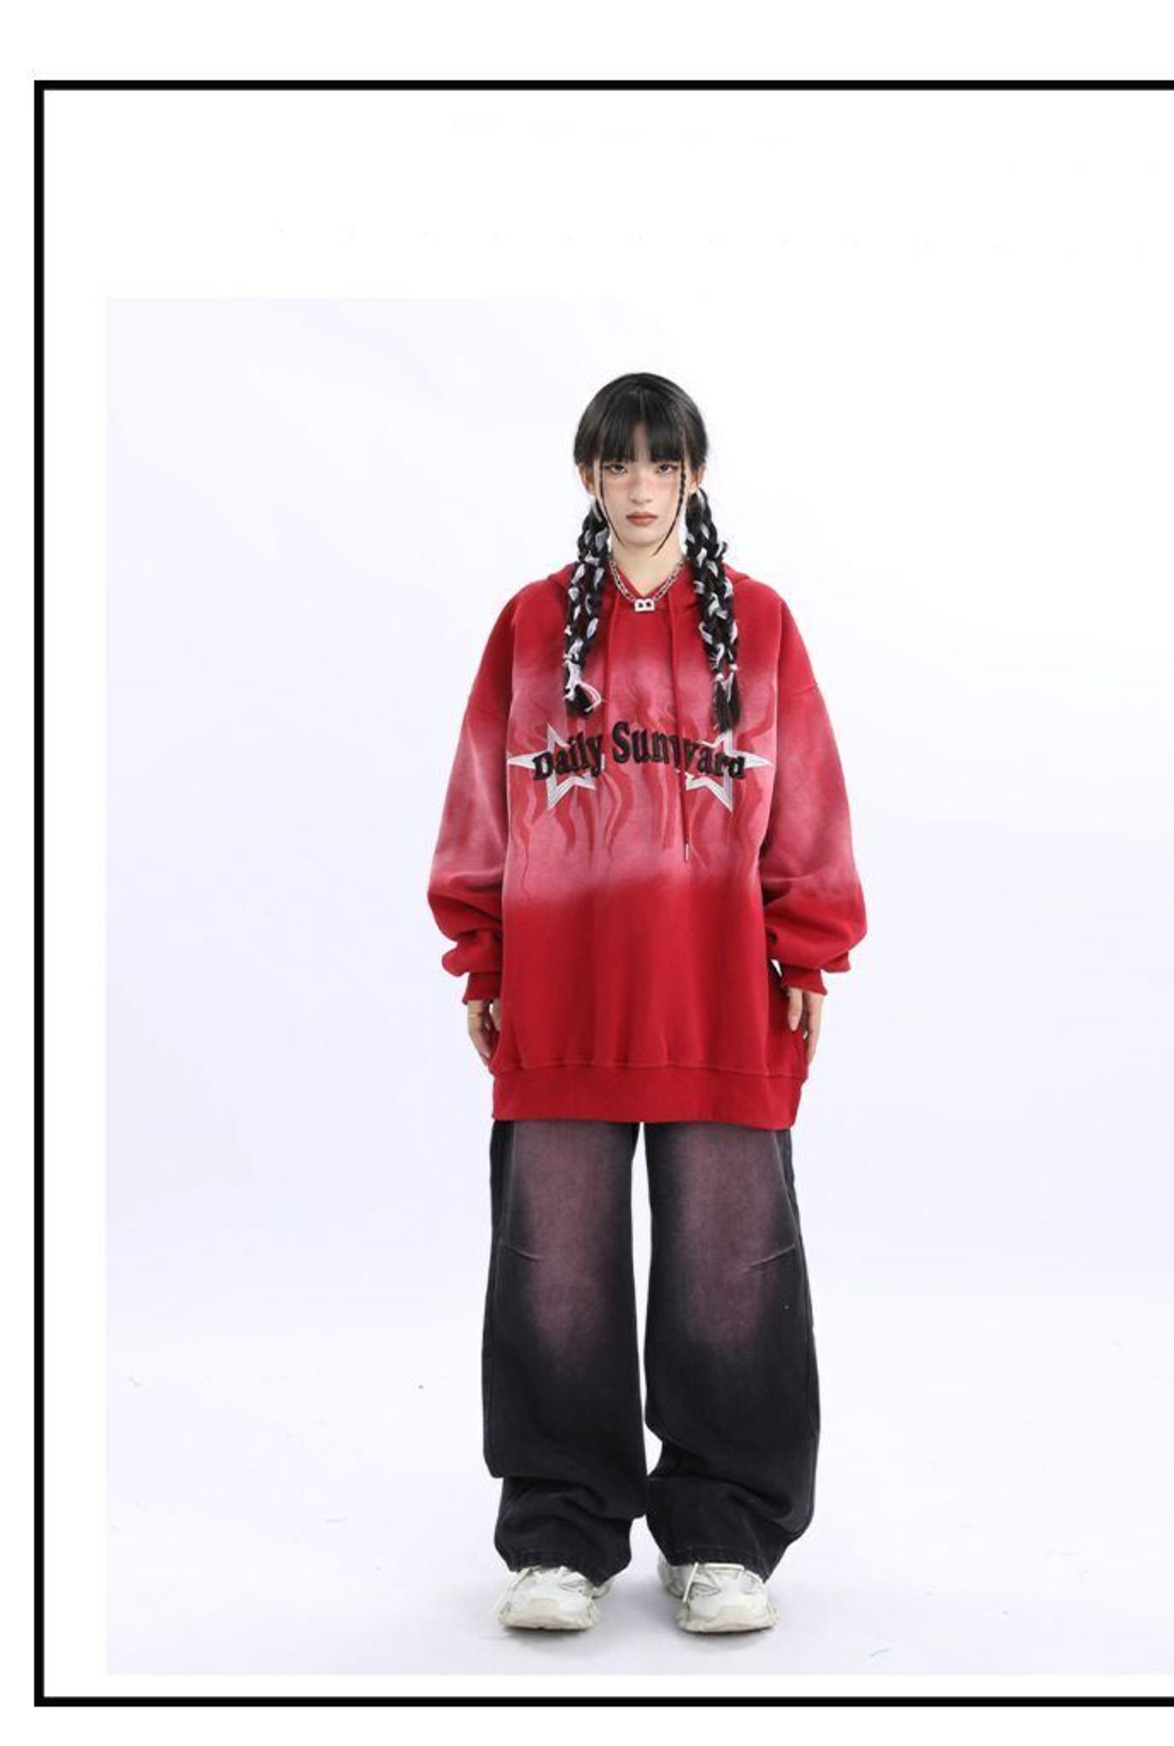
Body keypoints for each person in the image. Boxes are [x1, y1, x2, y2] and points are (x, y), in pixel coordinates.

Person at [427, 372, 868, 1634]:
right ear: (586, 478)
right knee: (553, 1276)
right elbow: (479, 800)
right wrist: (484, 957)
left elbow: (808, 794)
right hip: (563, 998)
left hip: (717, 994)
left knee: (729, 1274)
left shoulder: (760, 623)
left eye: (659, 464)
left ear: (692, 476)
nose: (637, 487)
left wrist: (804, 952)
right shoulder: (528, 625)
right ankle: (560, 1537)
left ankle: (721, 1535)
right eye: (615, 465)